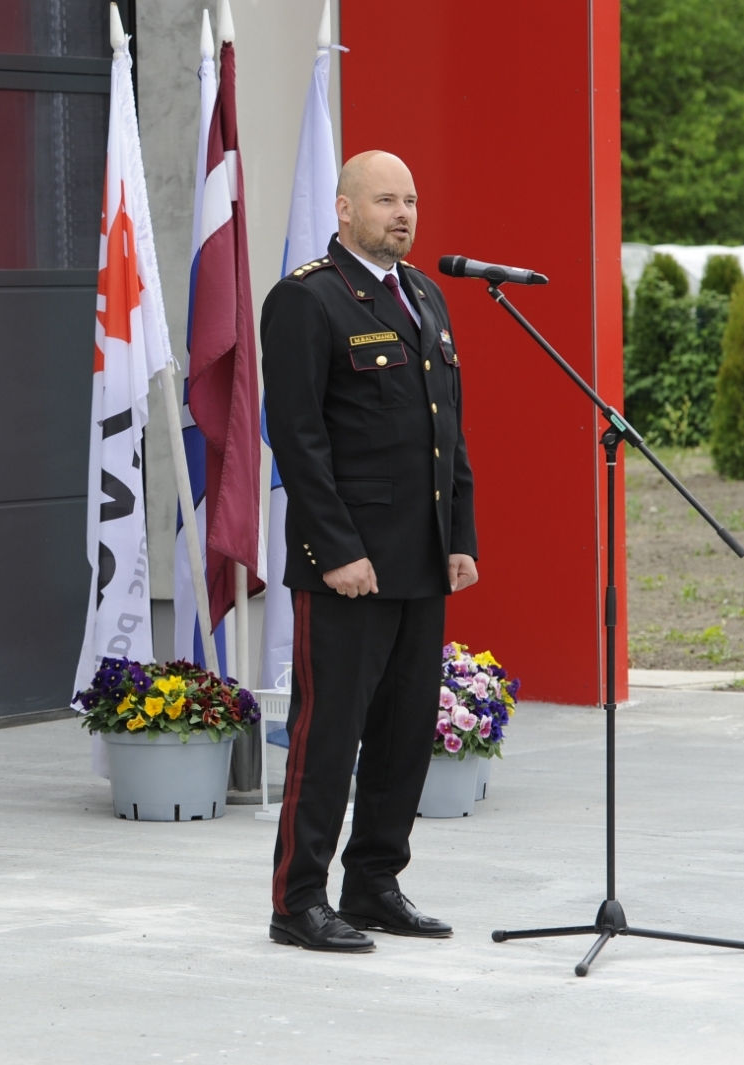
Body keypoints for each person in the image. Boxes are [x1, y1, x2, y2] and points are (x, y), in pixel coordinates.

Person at [260, 150, 479, 953]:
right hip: (347, 565)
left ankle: (376, 881)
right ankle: (299, 898)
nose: (404, 213)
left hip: (420, 560)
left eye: (412, 200)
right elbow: (298, 438)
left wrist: (460, 536)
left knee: (402, 731)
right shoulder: (307, 299)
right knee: (330, 732)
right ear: (345, 208)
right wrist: (334, 549)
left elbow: (445, 430)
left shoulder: (425, 295)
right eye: (386, 199)